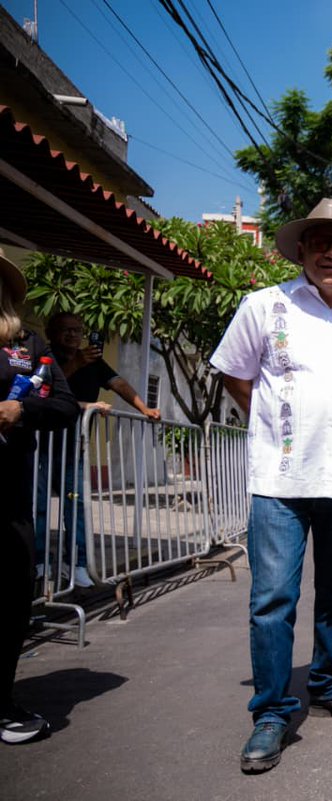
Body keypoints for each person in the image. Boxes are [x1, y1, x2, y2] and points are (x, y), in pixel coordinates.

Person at [210, 198, 332, 773]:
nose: (331, 251)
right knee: (273, 600)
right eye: (320, 241)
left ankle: (328, 682)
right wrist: (283, 427)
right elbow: (236, 374)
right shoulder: (263, 306)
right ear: (300, 250)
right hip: (278, 479)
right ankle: (271, 713)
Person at [0, 248, 78, 744]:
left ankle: (4, 703)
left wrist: (22, 411)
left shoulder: (26, 346)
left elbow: (66, 405)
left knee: (10, 595)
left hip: (7, 493)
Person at [34, 312, 161, 590]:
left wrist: (144, 408)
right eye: (66, 330)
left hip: (73, 446)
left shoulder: (93, 360)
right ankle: (39, 564)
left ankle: (77, 564)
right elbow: (47, 392)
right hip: (42, 445)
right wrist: (86, 401)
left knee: (76, 506)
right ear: (52, 332)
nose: (73, 335)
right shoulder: (44, 357)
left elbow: (119, 384)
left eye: (77, 330)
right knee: (39, 505)